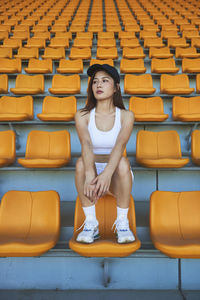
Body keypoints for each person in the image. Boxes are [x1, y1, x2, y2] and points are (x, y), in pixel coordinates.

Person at [75, 64, 135, 244]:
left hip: (116, 173)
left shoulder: (126, 115)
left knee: (123, 162)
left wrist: (107, 173)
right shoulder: (82, 115)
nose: (98, 85)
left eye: (104, 80)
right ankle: (91, 224)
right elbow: (85, 144)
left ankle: (123, 224)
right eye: (95, 82)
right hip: (91, 173)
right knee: (80, 163)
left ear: (116, 87)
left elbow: (119, 145)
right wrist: (89, 173)